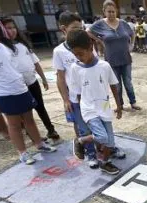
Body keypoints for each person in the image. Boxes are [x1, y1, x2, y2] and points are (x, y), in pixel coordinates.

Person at [0, 17, 56, 164]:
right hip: (4, 93)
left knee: (29, 119)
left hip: (21, 88)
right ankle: (23, 153)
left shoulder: (3, 47)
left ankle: (39, 144)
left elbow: (10, 67)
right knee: (14, 124)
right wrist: (1, 81)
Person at [67, 30, 123, 175]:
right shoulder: (75, 68)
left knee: (109, 142)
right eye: (75, 54)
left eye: (80, 53)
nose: (78, 57)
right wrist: (80, 115)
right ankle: (80, 141)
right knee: (102, 137)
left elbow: (113, 85)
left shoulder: (104, 66)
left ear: (90, 47)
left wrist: (119, 105)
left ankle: (105, 163)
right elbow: (78, 94)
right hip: (89, 109)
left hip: (104, 107)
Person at [2, 17, 62, 145]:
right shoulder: (2, 48)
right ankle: (34, 137)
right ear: (1, 30)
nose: (11, 31)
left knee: (40, 107)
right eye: (7, 28)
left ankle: (51, 130)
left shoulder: (23, 45)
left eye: (13, 28)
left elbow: (35, 62)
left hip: (32, 82)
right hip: (19, 87)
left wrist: (44, 79)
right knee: (25, 113)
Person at [54, 11, 98, 168]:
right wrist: (66, 99)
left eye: (81, 28)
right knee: (82, 127)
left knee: (98, 123)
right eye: (74, 28)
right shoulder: (59, 51)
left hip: (94, 96)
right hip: (76, 99)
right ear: (63, 29)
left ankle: (104, 148)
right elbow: (60, 77)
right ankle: (90, 154)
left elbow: (96, 68)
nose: (79, 31)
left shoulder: (88, 44)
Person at [88, 0, 141, 111]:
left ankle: (133, 102)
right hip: (111, 60)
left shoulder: (123, 23)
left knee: (128, 83)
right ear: (104, 12)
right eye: (109, 12)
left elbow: (132, 33)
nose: (111, 14)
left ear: (116, 11)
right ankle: (120, 105)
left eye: (113, 11)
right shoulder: (100, 24)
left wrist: (131, 44)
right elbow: (87, 31)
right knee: (116, 85)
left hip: (126, 58)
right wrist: (98, 40)